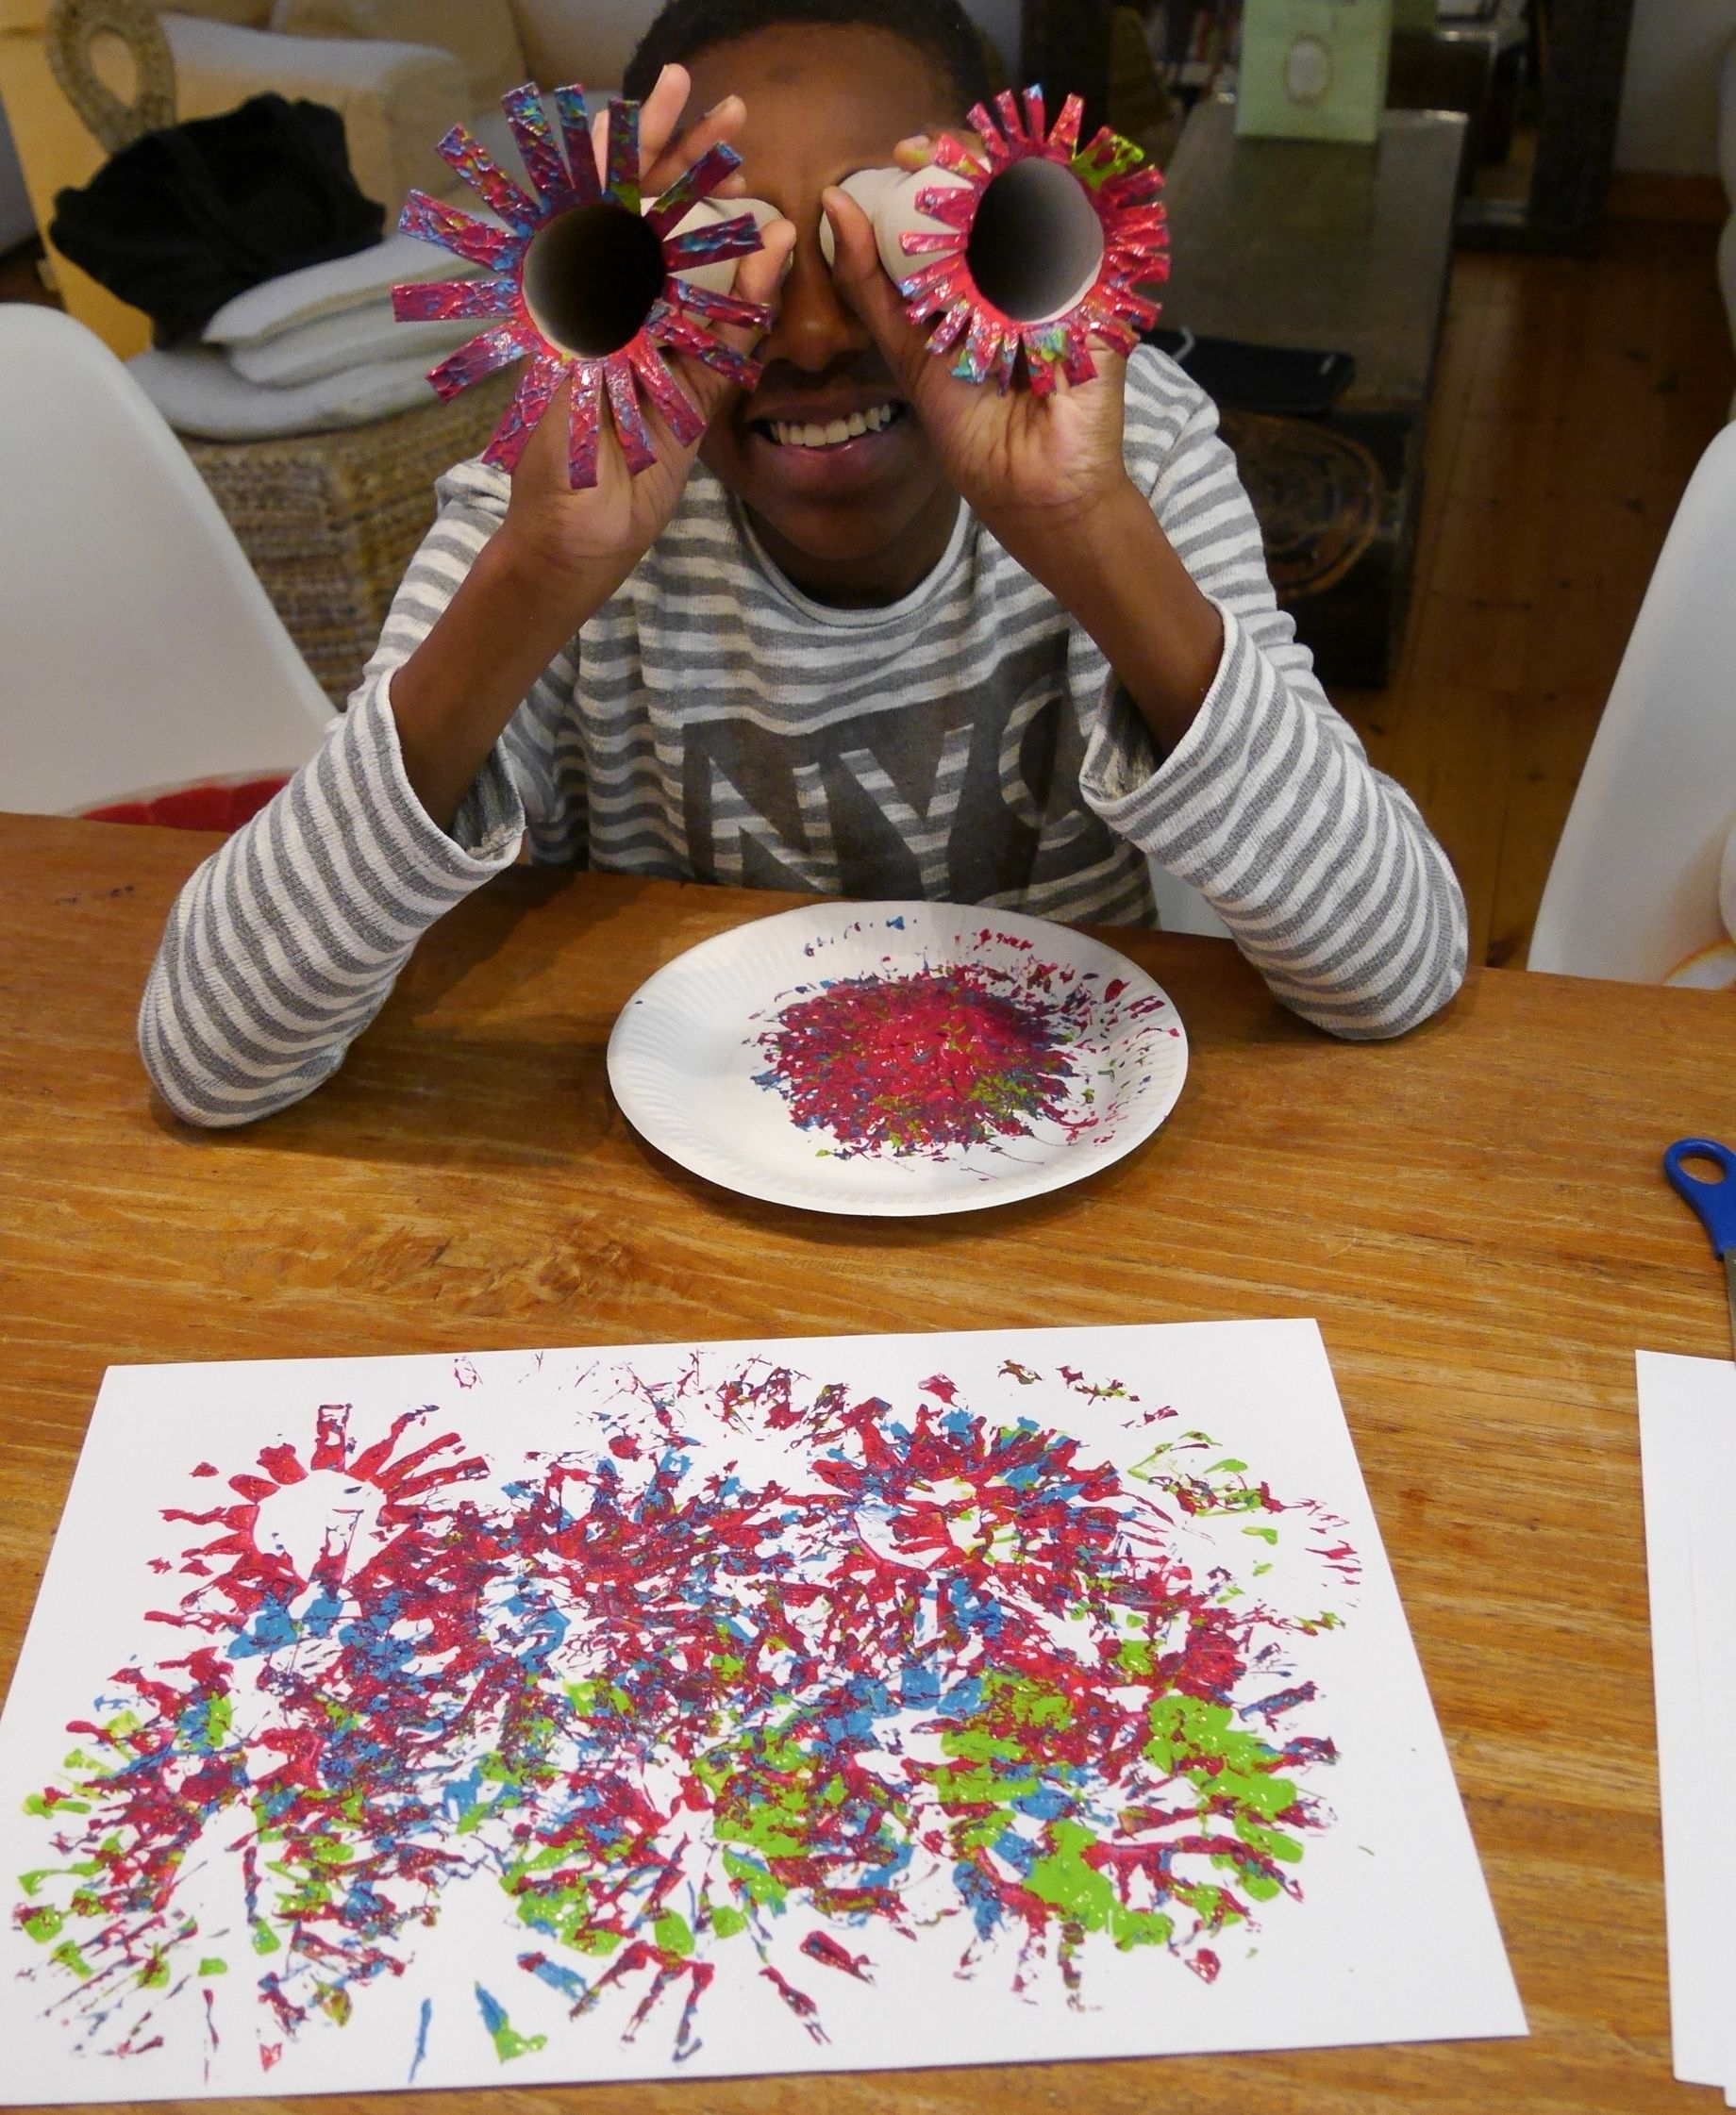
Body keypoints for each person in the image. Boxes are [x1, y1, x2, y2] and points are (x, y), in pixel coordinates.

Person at [139, 0, 1468, 1128]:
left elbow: (1395, 966)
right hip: (666, 1172)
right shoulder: (560, 484)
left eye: (879, 244)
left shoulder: (1129, 452)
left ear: (991, 239)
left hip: (1052, 1144)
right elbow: (208, 1054)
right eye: (730, 257)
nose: (816, 334)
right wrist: (539, 570)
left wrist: (1085, 521)